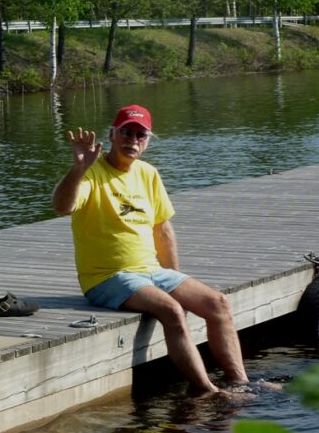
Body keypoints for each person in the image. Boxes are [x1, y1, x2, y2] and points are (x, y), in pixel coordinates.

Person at [52, 104, 250, 395]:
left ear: (147, 140)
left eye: (140, 135)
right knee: (171, 310)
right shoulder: (92, 173)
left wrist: (176, 279)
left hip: (151, 272)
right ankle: (207, 390)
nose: (132, 140)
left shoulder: (148, 173)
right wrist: (78, 168)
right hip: (107, 277)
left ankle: (240, 383)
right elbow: (62, 207)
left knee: (218, 304)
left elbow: (163, 230)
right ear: (112, 134)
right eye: (126, 132)